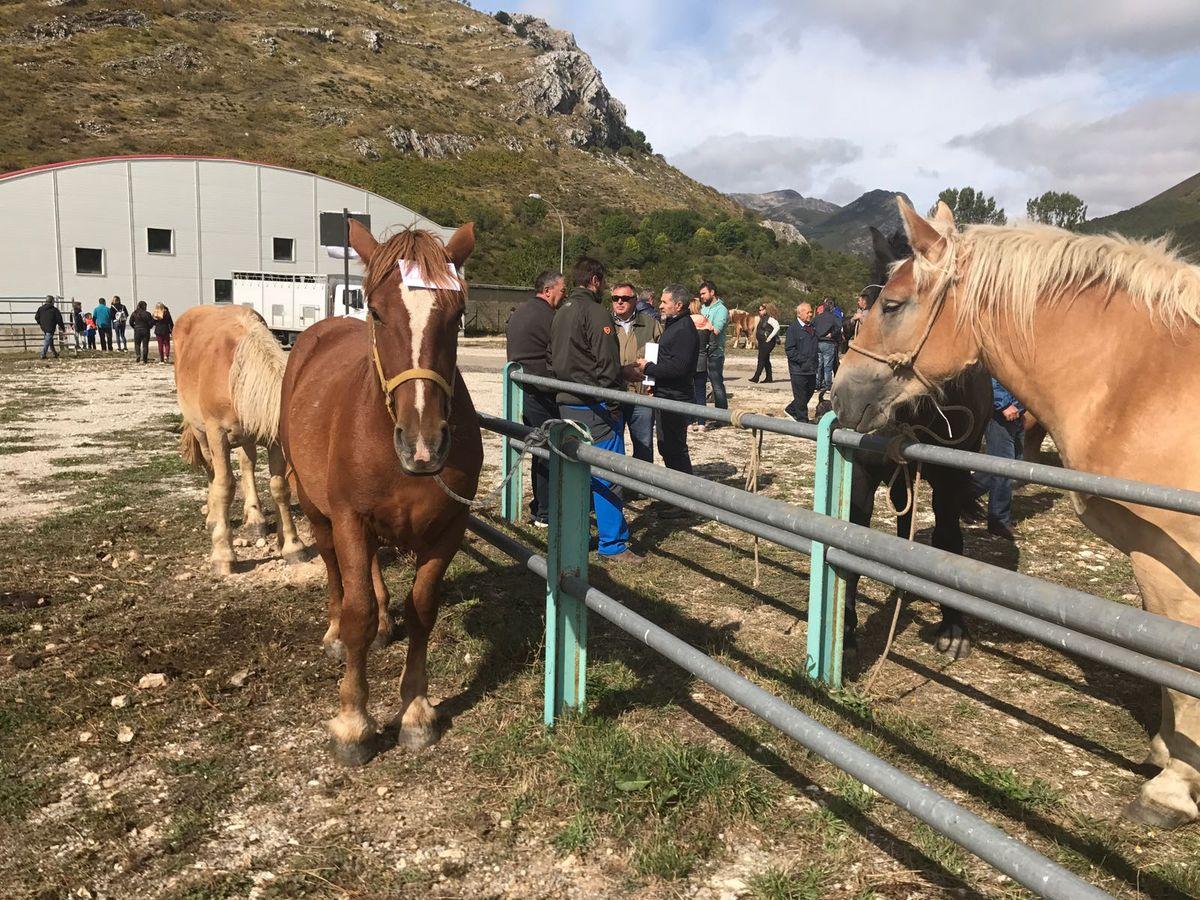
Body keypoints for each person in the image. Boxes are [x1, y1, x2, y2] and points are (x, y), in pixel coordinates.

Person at [548, 257, 641, 564]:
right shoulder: (595, 311)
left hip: (566, 400)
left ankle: (576, 533)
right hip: (593, 404)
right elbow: (607, 364)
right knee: (608, 472)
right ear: (596, 281)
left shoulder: (561, 311)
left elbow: (552, 357)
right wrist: (614, 404)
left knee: (576, 472)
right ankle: (613, 543)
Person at [506, 269, 565, 527]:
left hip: (524, 388)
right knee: (547, 451)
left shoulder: (520, 312)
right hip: (541, 391)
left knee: (537, 448)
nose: (564, 296)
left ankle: (538, 507)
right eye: (562, 290)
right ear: (548, 290)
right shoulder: (549, 317)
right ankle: (545, 513)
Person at [638, 283, 699, 490]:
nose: (660, 306)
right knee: (667, 446)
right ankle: (676, 494)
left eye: (664, 302)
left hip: (675, 398)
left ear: (678, 305)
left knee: (675, 448)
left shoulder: (683, 329)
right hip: (667, 394)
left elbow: (678, 368)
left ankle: (683, 497)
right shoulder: (674, 324)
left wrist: (649, 368)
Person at [611, 282, 662, 464]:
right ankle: (616, 485)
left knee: (643, 445)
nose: (620, 302)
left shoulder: (651, 324)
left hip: (641, 396)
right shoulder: (604, 324)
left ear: (635, 300)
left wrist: (653, 385)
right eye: (615, 298)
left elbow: (659, 356)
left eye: (625, 298)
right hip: (613, 395)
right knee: (613, 445)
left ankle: (641, 488)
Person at [968, 379, 1025, 541]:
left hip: (1017, 412)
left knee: (1009, 464)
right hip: (1001, 414)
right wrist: (1004, 404)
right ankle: (998, 522)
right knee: (1003, 469)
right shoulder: (1002, 352)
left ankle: (960, 497)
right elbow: (991, 375)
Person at [698, 279, 729, 426]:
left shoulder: (721, 310)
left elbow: (716, 330)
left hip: (715, 353)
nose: (702, 296)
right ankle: (701, 415)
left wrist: (700, 323)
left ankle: (722, 417)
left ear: (712, 292)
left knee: (717, 384)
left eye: (704, 293)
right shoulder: (703, 308)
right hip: (702, 352)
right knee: (700, 384)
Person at [784, 302, 818, 422]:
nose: (811, 314)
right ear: (799, 314)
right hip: (798, 369)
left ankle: (791, 409)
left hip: (811, 368)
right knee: (801, 396)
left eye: (811, 312)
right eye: (808, 312)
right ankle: (802, 421)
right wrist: (804, 360)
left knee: (809, 392)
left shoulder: (812, 327)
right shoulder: (793, 329)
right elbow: (790, 350)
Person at [689, 301, 714, 433]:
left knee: (688, 392)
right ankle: (702, 423)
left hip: (688, 362)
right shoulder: (706, 321)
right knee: (700, 392)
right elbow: (712, 339)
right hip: (702, 361)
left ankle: (688, 422)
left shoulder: (687, 322)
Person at [812, 299, 840, 392]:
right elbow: (839, 328)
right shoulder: (834, 318)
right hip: (828, 342)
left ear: (823, 307)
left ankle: (816, 385)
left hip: (818, 342)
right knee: (828, 366)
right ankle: (827, 386)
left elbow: (811, 326)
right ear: (832, 308)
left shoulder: (817, 318)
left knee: (818, 365)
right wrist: (832, 334)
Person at [750, 302, 781, 383]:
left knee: (761, 359)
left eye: (761, 310)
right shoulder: (762, 319)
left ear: (765, 310)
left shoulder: (770, 319)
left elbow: (777, 327)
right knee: (766, 359)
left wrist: (770, 337)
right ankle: (769, 378)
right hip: (762, 342)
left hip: (768, 342)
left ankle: (756, 377)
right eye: (759, 310)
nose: (759, 311)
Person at [35, 295, 64, 359]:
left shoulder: (40, 309)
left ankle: (55, 353)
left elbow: (36, 317)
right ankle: (43, 354)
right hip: (51, 327)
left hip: (44, 327)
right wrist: (63, 327)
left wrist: (40, 323)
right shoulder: (54, 310)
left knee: (50, 340)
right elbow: (59, 320)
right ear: (52, 301)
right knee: (47, 340)